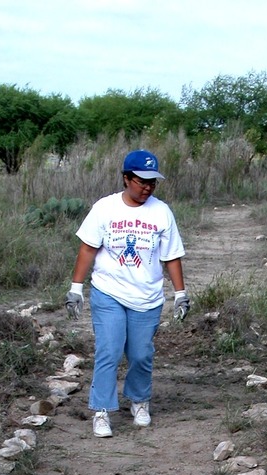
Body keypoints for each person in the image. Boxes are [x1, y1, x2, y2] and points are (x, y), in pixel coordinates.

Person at [65, 149, 189, 438]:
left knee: (141, 354)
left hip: (146, 296)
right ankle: (102, 410)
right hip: (109, 291)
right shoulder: (105, 209)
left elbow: (171, 256)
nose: (147, 187)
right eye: (141, 181)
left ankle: (138, 400)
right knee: (108, 350)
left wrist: (181, 292)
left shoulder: (161, 212)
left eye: (152, 183)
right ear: (126, 178)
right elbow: (88, 248)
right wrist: (76, 288)